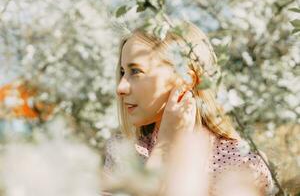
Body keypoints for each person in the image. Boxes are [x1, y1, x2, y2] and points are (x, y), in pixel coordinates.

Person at [103, 21, 276, 195]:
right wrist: (165, 145)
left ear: (185, 80)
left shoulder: (243, 162)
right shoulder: (122, 152)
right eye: (123, 72)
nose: (121, 88)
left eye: (136, 71)